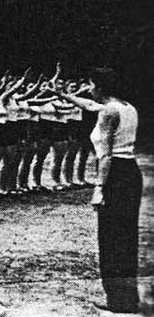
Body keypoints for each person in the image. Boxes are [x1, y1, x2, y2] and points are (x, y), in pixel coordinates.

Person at [56, 68, 140, 313]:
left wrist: (99, 188)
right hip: (131, 171)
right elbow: (90, 106)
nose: (89, 89)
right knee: (126, 236)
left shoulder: (108, 113)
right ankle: (127, 297)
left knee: (110, 238)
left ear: (100, 87)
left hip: (114, 174)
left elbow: (105, 155)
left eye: (91, 85)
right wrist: (63, 95)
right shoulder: (127, 107)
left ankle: (117, 301)